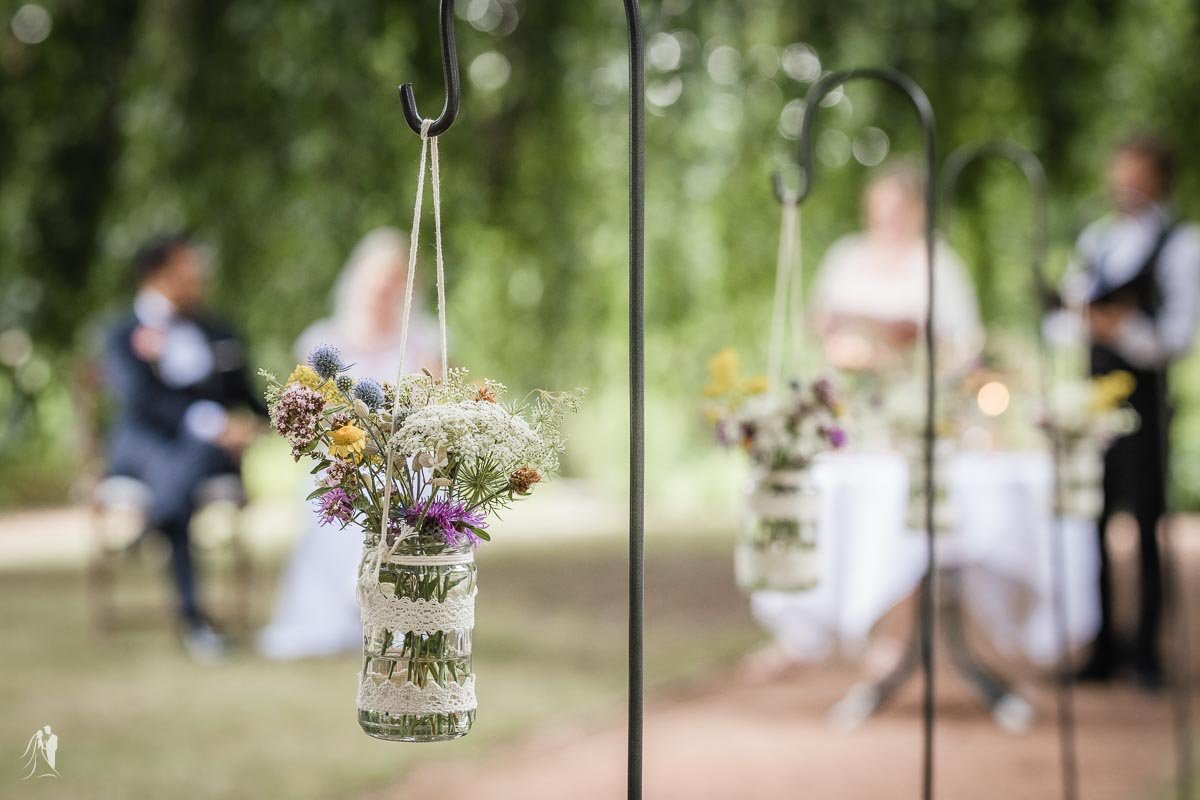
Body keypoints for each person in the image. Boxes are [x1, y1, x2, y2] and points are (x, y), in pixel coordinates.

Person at [257, 228, 440, 660]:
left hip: (406, 463)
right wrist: (350, 446)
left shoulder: (422, 339)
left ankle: (407, 618)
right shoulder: (322, 339)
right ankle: (344, 611)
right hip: (343, 462)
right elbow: (306, 413)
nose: (384, 289)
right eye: (378, 276)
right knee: (336, 501)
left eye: (396, 280)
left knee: (423, 499)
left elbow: (433, 404)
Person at [1070, 134, 1200, 689]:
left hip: (1146, 397)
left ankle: (1148, 648)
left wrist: (1121, 327)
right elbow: (1066, 315)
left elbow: (1178, 335)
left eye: (1135, 174)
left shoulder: (1182, 244)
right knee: (1093, 518)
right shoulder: (1099, 240)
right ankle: (1103, 645)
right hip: (1094, 399)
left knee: (1146, 520)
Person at [104, 233, 263, 660]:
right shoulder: (120, 332)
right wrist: (214, 425)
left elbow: (246, 394)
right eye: (189, 267)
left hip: (204, 456)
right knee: (182, 470)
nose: (200, 275)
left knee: (187, 470)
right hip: (144, 446)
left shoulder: (216, 328)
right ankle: (194, 621)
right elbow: (140, 400)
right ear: (158, 274)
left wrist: (275, 416)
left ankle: (156, 522)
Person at [810, 163, 983, 375]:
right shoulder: (845, 254)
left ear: (921, 209)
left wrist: (901, 337)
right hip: (843, 385)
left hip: (917, 387)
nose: (888, 216)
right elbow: (816, 319)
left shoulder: (939, 262)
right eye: (880, 206)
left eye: (899, 208)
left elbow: (964, 337)